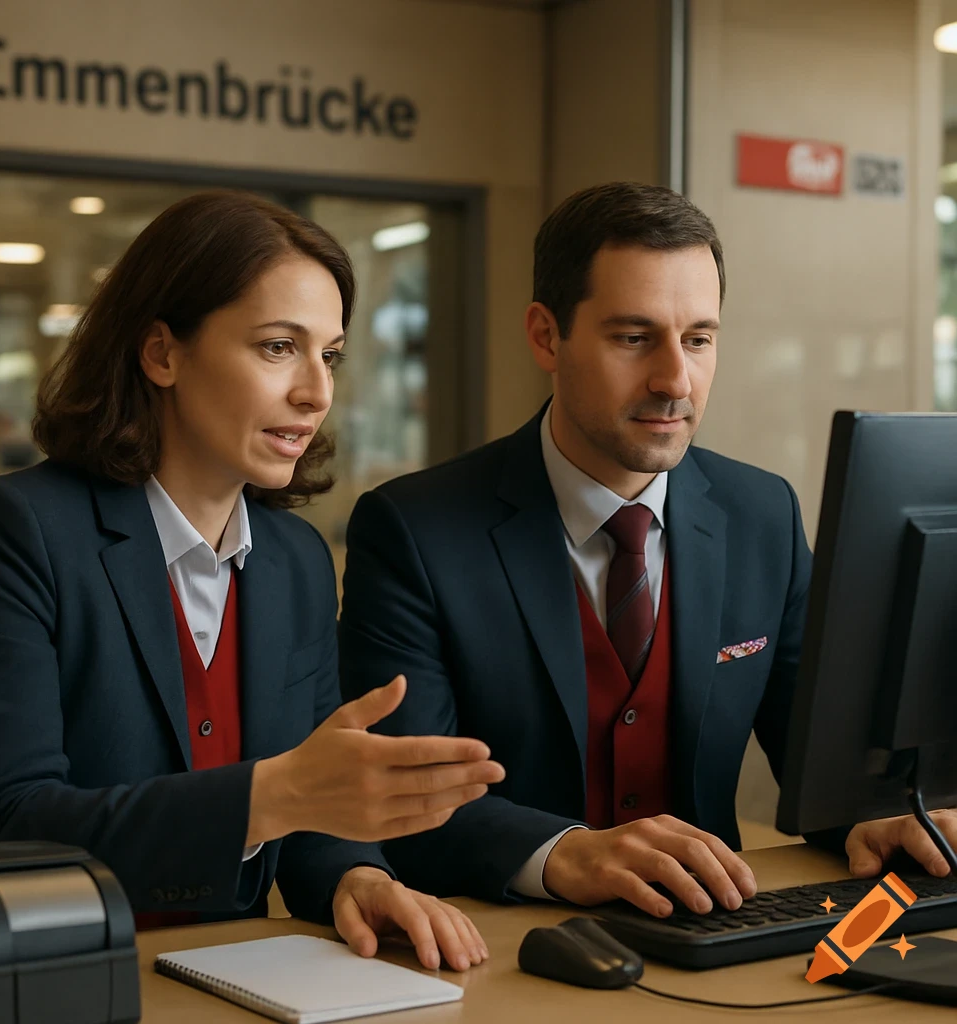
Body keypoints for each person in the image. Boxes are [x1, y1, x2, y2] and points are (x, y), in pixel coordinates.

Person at [339, 181, 957, 918]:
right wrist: (564, 852)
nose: (674, 380)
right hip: (506, 949)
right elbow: (398, 805)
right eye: (634, 338)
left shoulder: (762, 514)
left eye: (698, 339)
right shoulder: (415, 530)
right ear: (545, 335)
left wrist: (872, 813)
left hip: (718, 931)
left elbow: (818, 766)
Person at [0, 191, 502, 972]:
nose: (316, 391)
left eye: (329, 355)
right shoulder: (9, 530)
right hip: (50, 980)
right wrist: (272, 796)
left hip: (233, 974)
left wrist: (354, 874)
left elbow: (307, 813)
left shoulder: (296, 560)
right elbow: (5, 826)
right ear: (161, 352)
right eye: (277, 347)